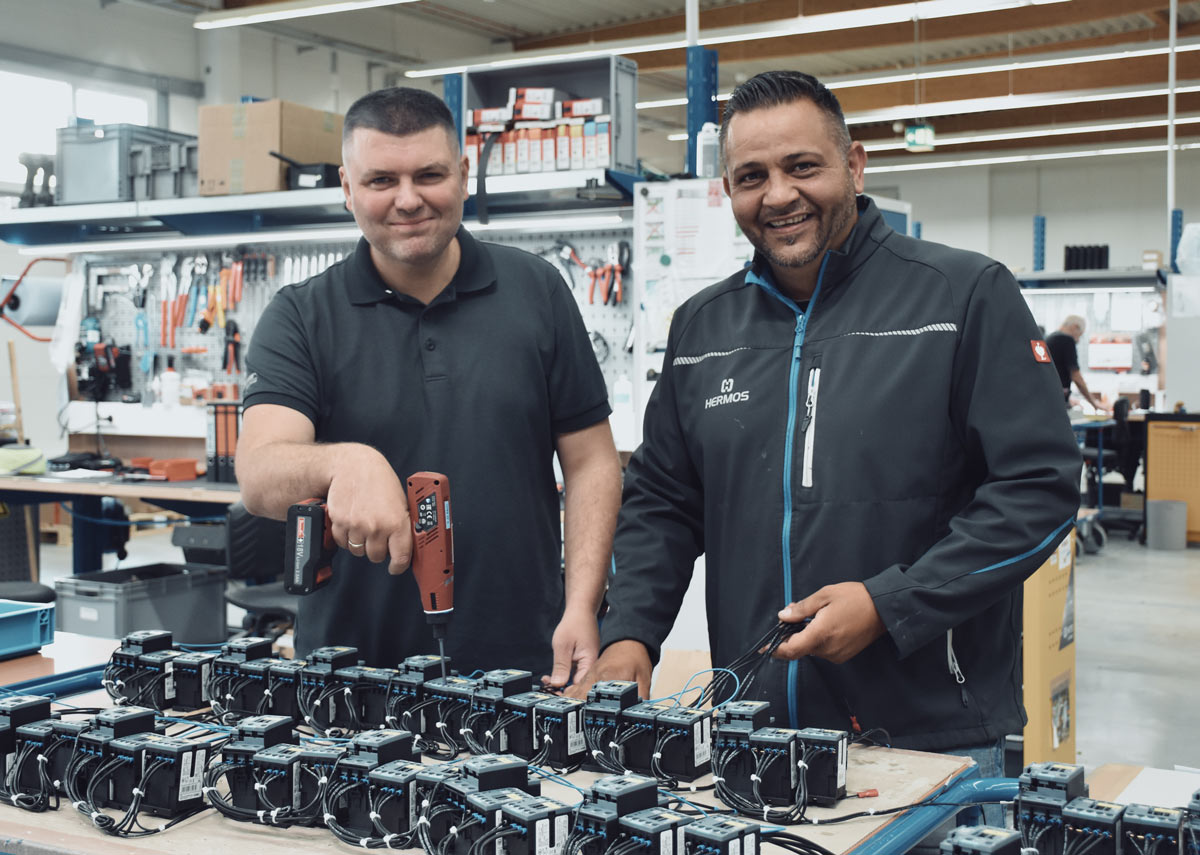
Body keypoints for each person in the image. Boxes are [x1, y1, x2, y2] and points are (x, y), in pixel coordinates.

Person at [575, 71, 1081, 779]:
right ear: (728, 190)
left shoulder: (964, 296)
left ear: (854, 163)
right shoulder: (703, 327)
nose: (778, 195)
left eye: (802, 166)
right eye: (751, 176)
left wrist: (890, 602)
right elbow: (662, 500)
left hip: (929, 738)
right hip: (751, 736)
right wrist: (631, 630)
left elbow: (1040, 488)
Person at [237, 87, 621, 686]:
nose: (408, 200)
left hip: (524, 664)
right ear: (346, 187)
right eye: (381, 180)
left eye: (430, 175)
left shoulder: (537, 291)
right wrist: (347, 464)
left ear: (464, 175)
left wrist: (581, 606)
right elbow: (259, 476)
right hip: (350, 677)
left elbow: (592, 461)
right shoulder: (301, 315)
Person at [1046, 315, 1107, 411]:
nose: (1078, 340)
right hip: (1057, 403)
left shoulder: (1051, 338)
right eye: (1080, 335)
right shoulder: (1066, 339)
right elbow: (1076, 376)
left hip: (1049, 399)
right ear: (1075, 327)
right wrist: (1094, 403)